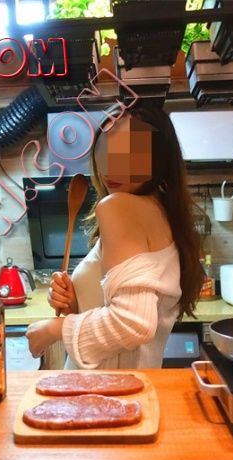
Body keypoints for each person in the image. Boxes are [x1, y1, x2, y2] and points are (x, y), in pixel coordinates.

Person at [26, 102, 202, 369]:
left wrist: (53, 329)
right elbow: (124, 318)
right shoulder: (163, 214)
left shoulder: (118, 206)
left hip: (103, 389)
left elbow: (132, 324)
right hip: (130, 387)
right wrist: (77, 303)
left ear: (158, 157)